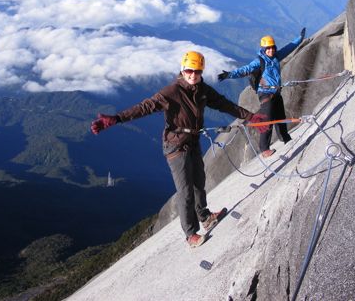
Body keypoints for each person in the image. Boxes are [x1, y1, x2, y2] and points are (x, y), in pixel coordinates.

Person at [91, 51, 268, 248]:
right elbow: (145, 107)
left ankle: (205, 216)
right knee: (185, 191)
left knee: (199, 181)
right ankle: (191, 234)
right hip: (175, 145)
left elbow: (223, 104)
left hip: (192, 141)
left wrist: (250, 117)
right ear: (183, 70)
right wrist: (116, 119)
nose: (193, 75)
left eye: (197, 71)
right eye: (189, 71)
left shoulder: (201, 89)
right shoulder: (172, 91)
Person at [217, 28, 306, 158]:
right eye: (268, 48)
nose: (271, 50)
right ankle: (264, 149)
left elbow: (289, 47)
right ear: (263, 50)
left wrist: (300, 38)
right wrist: (229, 75)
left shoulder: (276, 57)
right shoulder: (260, 61)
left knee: (280, 116)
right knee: (267, 120)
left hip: (276, 92)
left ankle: (285, 138)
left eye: (272, 48)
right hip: (265, 94)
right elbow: (245, 70)